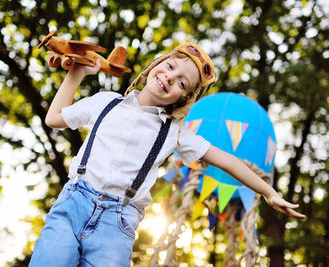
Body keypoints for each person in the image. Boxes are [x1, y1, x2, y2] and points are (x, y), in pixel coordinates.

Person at [29, 42, 305, 267]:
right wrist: (75, 73)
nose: (170, 78)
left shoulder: (175, 133)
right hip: (73, 202)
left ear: (182, 99)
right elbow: (54, 118)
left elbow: (228, 161)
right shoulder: (106, 101)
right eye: (170, 66)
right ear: (155, 65)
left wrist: (268, 192)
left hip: (117, 223)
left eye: (182, 83)